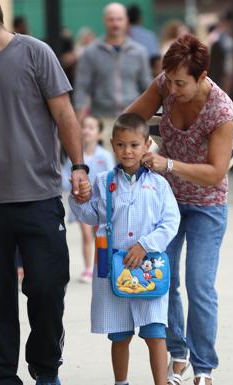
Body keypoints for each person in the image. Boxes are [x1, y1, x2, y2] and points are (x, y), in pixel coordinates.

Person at [0, 1, 91, 384]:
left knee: (46, 285)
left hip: (38, 197)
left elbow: (64, 114)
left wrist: (78, 166)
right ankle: (2, 375)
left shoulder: (35, 52)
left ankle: (45, 370)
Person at [125, 34, 233, 385]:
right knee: (165, 279)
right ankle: (177, 354)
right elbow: (130, 119)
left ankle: (204, 367)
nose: (173, 90)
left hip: (207, 205)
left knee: (199, 284)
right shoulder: (165, 85)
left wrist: (166, 164)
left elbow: (216, 172)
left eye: (181, 83)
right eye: (169, 80)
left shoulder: (220, 109)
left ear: (202, 76)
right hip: (166, 203)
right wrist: (133, 146)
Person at [68, 113, 180, 385]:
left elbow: (171, 222)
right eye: (120, 145)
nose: (127, 151)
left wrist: (146, 244)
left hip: (148, 268)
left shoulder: (159, 184)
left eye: (134, 145)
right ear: (111, 144)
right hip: (114, 268)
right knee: (120, 334)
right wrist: (79, 199)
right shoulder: (105, 181)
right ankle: (121, 382)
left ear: (147, 144)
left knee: (155, 333)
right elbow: (92, 215)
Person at [74, 2, 152, 143]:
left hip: (132, 120)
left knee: (133, 163)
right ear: (104, 21)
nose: (115, 24)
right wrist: (79, 121)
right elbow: (81, 87)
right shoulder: (91, 52)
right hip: (102, 120)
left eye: (119, 19)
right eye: (111, 19)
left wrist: (147, 118)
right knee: (105, 163)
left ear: (126, 21)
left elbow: (147, 87)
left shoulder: (139, 52)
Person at [62, 115, 115, 283]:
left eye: (91, 128)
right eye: (83, 127)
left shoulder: (105, 156)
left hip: (101, 203)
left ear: (99, 134)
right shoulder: (74, 156)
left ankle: (98, 266)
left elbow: (112, 176)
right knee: (86, 234)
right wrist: (72, 184)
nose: (86, 131)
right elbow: (63, 176)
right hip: (81, 202)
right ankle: (87, 268)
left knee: (99, 235)